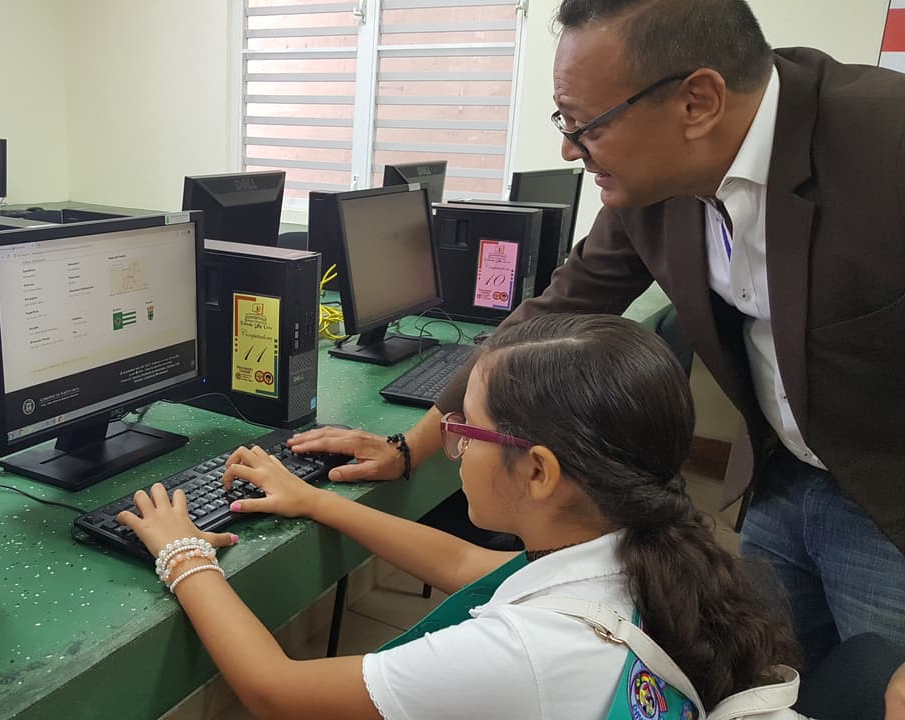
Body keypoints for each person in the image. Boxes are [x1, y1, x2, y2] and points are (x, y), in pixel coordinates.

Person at [289, 0, 905, 672]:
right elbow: (545, 317)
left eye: (587, 126)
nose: (568, 149)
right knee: (777, 678)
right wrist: (412, 447)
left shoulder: (884, 146)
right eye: (565, 121)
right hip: (783, 477)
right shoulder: (653, 183)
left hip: (886, 504)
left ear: (698, 102)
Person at [120, 314, 798, 718]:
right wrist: (316, 500)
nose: (452, 446)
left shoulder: (528, 653)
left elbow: (273, 691)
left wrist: (183, 555)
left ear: (538, 471)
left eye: (468, 429)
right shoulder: (635, 551)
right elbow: (466, 564)